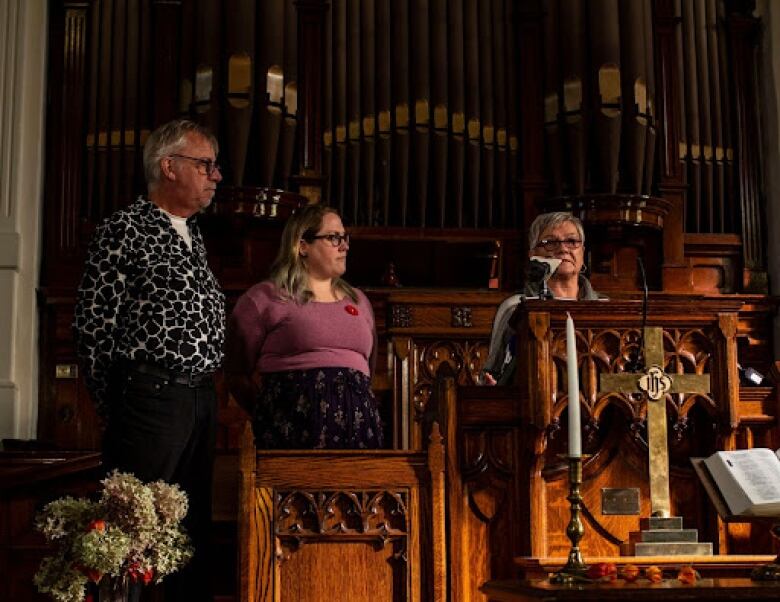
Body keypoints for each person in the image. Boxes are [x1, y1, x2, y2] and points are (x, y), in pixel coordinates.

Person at [73, 119, 225, 601]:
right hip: (151, 396)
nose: (215, 176)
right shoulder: (125, 228)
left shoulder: (194, 234)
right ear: (169, 166)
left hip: (199, 397)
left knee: (186, 530)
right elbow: (93, 323)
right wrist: (120, 402)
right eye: (205, 165)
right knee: (131, 528)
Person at [225, 203, 384, 449]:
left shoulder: (359, 301)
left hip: (360, 437)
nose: (345, 245)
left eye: (345, 237)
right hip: (290, 436)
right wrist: (274, 410)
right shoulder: (264, 298)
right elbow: (236, 372)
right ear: (302, 246)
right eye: (333, 238)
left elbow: (367, 373)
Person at [482, 211, 603, 385]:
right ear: (533, 255)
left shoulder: (605, 308)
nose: (563, 249)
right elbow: (494, 370)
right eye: (550, 243)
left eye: (572, 241)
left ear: (582, 251)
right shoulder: (516, 307)